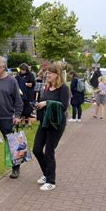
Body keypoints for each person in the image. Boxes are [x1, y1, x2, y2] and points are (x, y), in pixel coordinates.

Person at [33, 62, 70, 191]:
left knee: (49, 151)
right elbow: (42, 103)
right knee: (36, 149)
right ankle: (46, 173)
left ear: (57, 74)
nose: (47, 75)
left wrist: (47, 103)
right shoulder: (47, 87)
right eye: (47, 72)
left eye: (50, 73)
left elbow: (64, 106)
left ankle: (51, 181)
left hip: (56, 124)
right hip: (44, 122)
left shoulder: (64, 88)